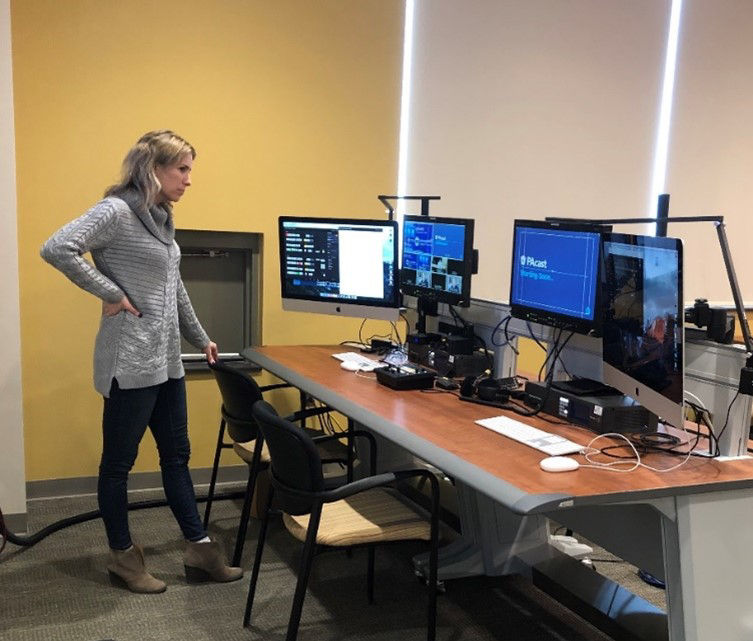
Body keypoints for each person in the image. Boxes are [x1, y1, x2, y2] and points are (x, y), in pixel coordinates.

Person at [41, 130, 242, 593]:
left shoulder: (161, 217)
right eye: (183, 169)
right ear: (153, 169)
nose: (189, 180)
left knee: (177, 457)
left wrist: (200, 336)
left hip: (166, 361)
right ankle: (123, 559)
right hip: (130, 361)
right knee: (118, 465)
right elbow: (56, 247)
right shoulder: (116, 212)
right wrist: (110, 293)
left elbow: (174, 285)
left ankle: (199, 548)